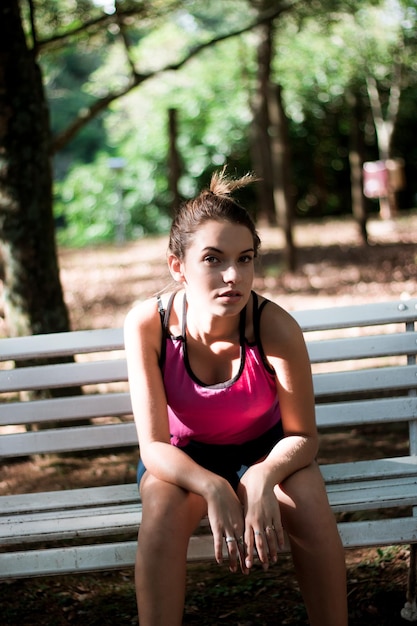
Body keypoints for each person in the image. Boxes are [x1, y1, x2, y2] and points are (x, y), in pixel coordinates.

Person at [124, 167, 348, 626]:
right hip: (181, 458)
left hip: (265, 452)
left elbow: (303, 435)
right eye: (213, 258)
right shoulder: (149, 324)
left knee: (306, 497)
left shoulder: (273, 326)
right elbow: (154, 446)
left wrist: (262, 477)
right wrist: (213, 486)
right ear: (178, 266)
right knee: (163, 507)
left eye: (245, 258)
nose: (233, 275)